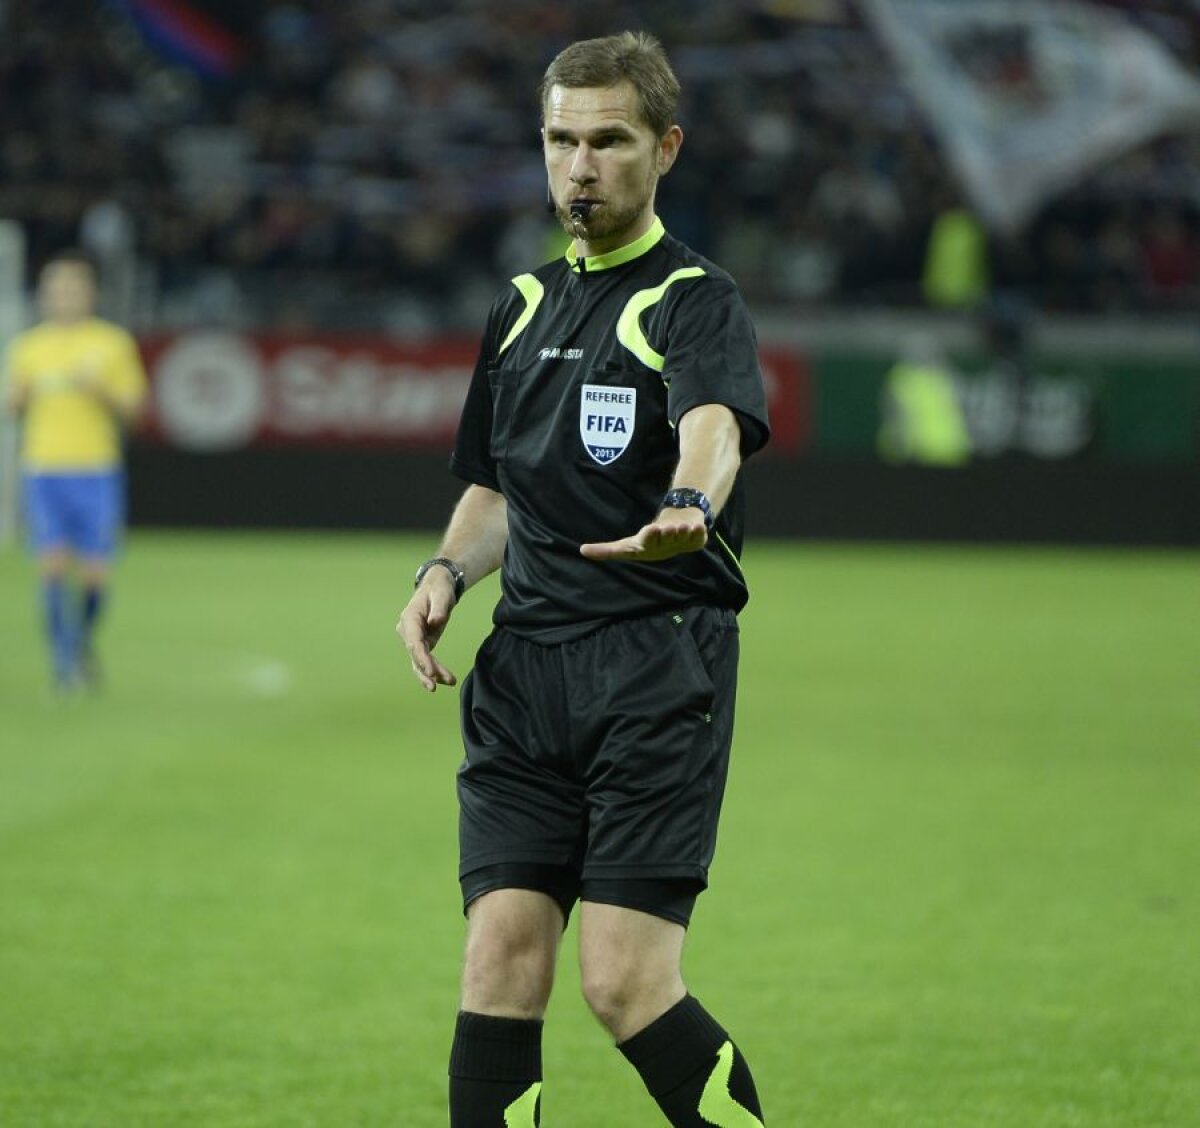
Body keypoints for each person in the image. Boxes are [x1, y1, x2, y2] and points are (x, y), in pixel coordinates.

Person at [397, 32, 770, 1127]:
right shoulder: (519, 306)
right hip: (524, 675)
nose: (581, 166)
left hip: (654, 668)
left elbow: (714, 426)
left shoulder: (693, 298)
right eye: (562, 141)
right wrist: (444, 572)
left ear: (666, 148)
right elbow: (497, 488)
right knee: (498, 961)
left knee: (622, 982)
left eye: (609, 142)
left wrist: (690, 503)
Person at [3, 250, 147, 691]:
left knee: (95, 575)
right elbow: (11, 405)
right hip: (43, 469)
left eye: (72, 289)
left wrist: (99, 389)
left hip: (96, 469)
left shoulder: (111, 344)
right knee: (50, 565)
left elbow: (136, 410)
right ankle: (63, 664)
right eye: (55, 290)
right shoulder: (28, 346)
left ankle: (80, 641)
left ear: (90, 294)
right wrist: (19, 397)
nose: (63, 297)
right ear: (44, 296)